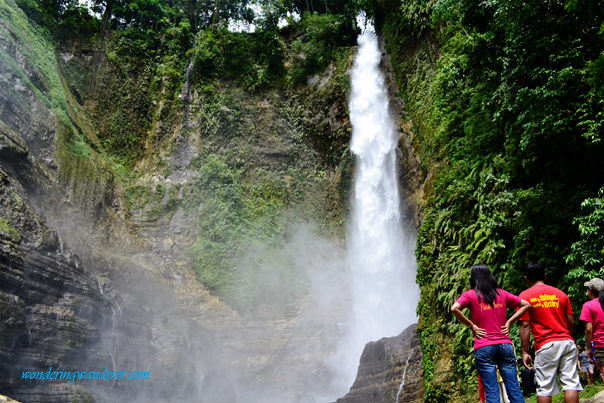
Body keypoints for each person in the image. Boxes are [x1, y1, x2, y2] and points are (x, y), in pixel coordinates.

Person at [451, 263, 531, 403]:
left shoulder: (470, 295)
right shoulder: (502, 293)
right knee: (514, 390)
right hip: (505, 345)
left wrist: (471, 325)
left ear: (473, 278)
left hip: (484, 346)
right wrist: (510, 322)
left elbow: (454, 308)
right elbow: (526, 305)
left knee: (492, 393)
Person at [519, 262, 583, 403]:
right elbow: (571, 321)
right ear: (545, 276)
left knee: (544, 387)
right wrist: (568, 334)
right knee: (571, 383)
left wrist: (525, 352)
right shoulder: (561, 294)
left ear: (526, 278)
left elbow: (524, 325)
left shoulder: (524, 296)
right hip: (567, 342)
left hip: (545, 344)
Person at [579, 278, 604, 383]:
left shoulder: (588, 306)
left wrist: (588, 348)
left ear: (590, 291)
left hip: (601, 344)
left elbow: (589, 329)